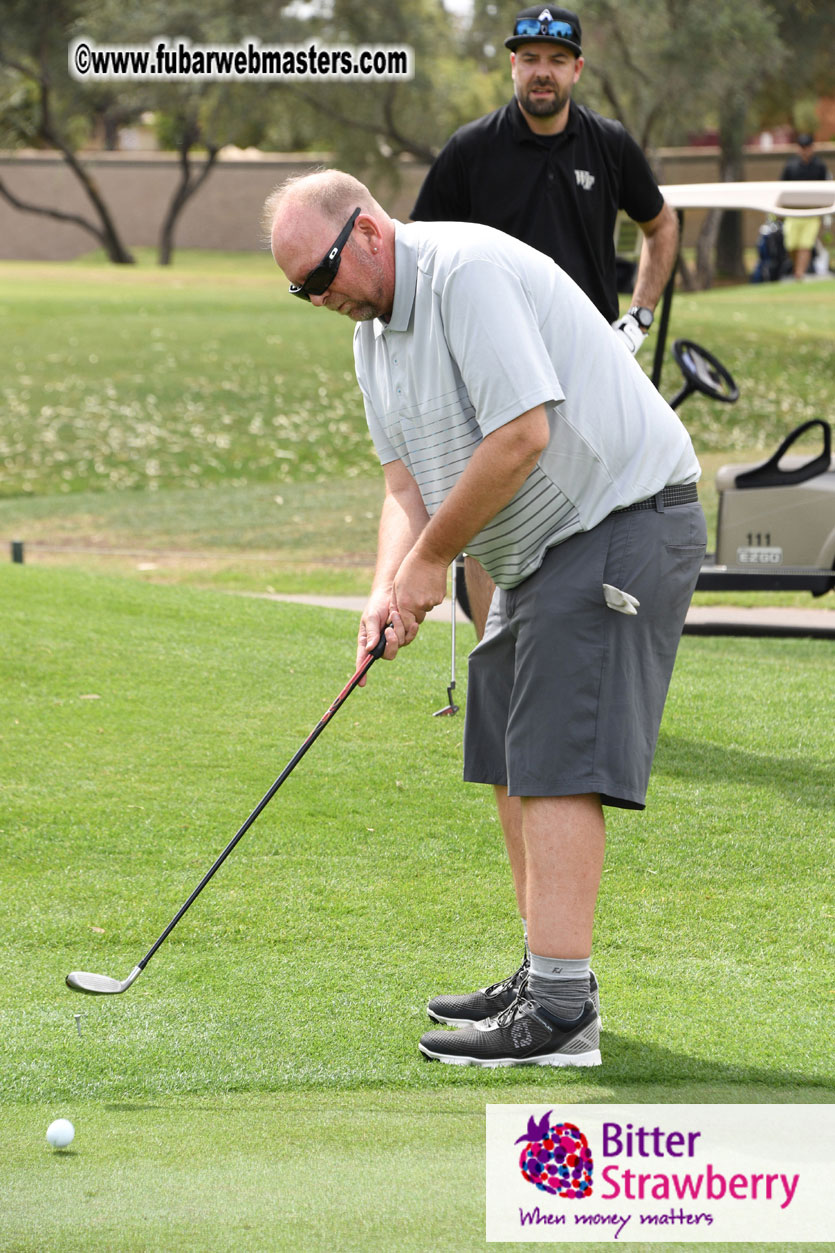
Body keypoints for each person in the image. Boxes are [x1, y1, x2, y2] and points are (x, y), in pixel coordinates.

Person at [266, 169, 706, 1068]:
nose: (320, 298)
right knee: (506, 743)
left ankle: (560, 1012)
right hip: (537, 549)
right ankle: (547, 971)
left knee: (553, 757)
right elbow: (404, 486)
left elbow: (521, 435)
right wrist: (386, 586)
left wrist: (432, 560)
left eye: (322, 275)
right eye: (300, 290)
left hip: (619, 518)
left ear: (369, 230)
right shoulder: (372, 338)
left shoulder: (463, 272)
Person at [412, 4, 680, 634]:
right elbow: (419, 248)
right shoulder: (471, 149)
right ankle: (494, 662)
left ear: (577, 69)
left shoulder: (608, 145)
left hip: (589, 361)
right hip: (491, 361)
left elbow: (661, 224)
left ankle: (580, 654)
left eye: (557, 60)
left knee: (601, 505)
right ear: (512, 64)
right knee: (490, 513)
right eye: (530, 58)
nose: (542, 72)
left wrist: (639, 316)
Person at [780, 134, 831, 280]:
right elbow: (782, 186)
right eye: (802, 147)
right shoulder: (790, 166)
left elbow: (826, 189)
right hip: (793, 212)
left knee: (805, 244)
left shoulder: (820, 166)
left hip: (812, 212)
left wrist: (824, 211)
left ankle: (799, 274)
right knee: (791, 245)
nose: (804, 150)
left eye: (807, 147)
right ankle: (797, 269)